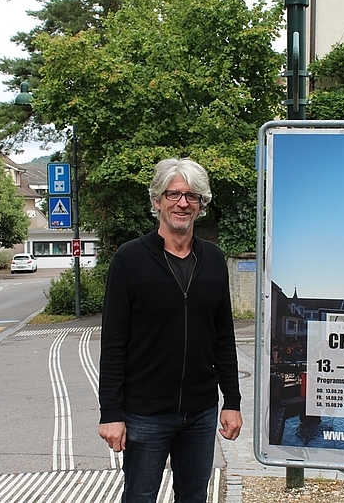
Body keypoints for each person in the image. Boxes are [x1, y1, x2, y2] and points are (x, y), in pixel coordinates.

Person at [98, 157, 243, 503]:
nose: (182, 203)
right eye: (174, 194)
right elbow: (114, 342)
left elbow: (223, 336)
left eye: (191, 196)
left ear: (201, 204)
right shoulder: (130, 260)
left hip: (201, 412)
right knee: (140, 496)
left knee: (194, 496)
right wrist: (110, 413)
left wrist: (232, 401)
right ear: (157, 201)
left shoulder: (213, 260)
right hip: (144, 412)